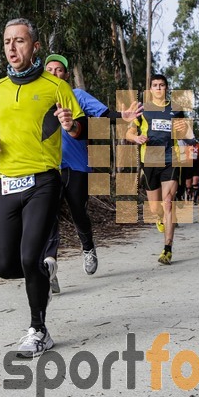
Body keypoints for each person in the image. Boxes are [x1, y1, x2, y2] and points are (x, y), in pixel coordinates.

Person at [0, 19, 86, 358]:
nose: (12, 48)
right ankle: (43, 273)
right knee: (4, 265)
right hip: (7, 183)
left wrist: (71, 126)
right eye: (8, 41)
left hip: (43, 180)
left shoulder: (55, 86)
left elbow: (79, 128)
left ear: (34, 46)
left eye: (20, 41)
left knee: (29, 256)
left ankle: (38, 330)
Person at [43, 54, 143, 292]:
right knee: (48, 218)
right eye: (49, 69)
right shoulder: (37, 100)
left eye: (59, 70)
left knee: (79, 213)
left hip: (77, 167)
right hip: (47, 167)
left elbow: (104, 114)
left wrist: (123, 117)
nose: (54, 73)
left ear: (66, 76)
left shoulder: (77, 96)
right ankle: (48, 270)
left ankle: (88, 247)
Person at [126, 73, 190, 265]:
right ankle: (160, 218)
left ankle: (167, 250)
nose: (159, 88)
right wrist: (136, 138)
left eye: (162, 85)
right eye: (155, 85)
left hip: (171, 159)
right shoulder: (142, 109)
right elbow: (129, 131)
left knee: (168, 202)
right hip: (150, 160)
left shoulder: (175, 109)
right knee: (155, 208)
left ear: (166, 88)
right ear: (150, 89)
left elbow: (185, 132)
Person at [184, 140, 199, 204]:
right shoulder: (186, 144)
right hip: (188, 165)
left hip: (196, 165)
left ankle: (194, 199)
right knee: (188, 185)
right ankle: (188, 194)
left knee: (195, 182)